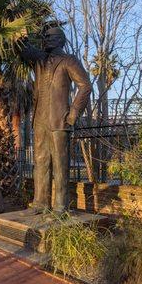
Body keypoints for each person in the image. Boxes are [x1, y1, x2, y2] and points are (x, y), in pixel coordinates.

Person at [19, 27, 92, 213]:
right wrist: (20, 32)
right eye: (45, 37)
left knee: (60, 164)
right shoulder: (40, 59)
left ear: (61, 40)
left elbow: (85, 86)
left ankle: (61, 206)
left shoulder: (69, 60)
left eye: (51, 37)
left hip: (60, 119)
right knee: (40, 161)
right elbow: (22, 48)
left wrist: (73, 113)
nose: (47, 40)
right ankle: (40, 203)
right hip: (40, 119)